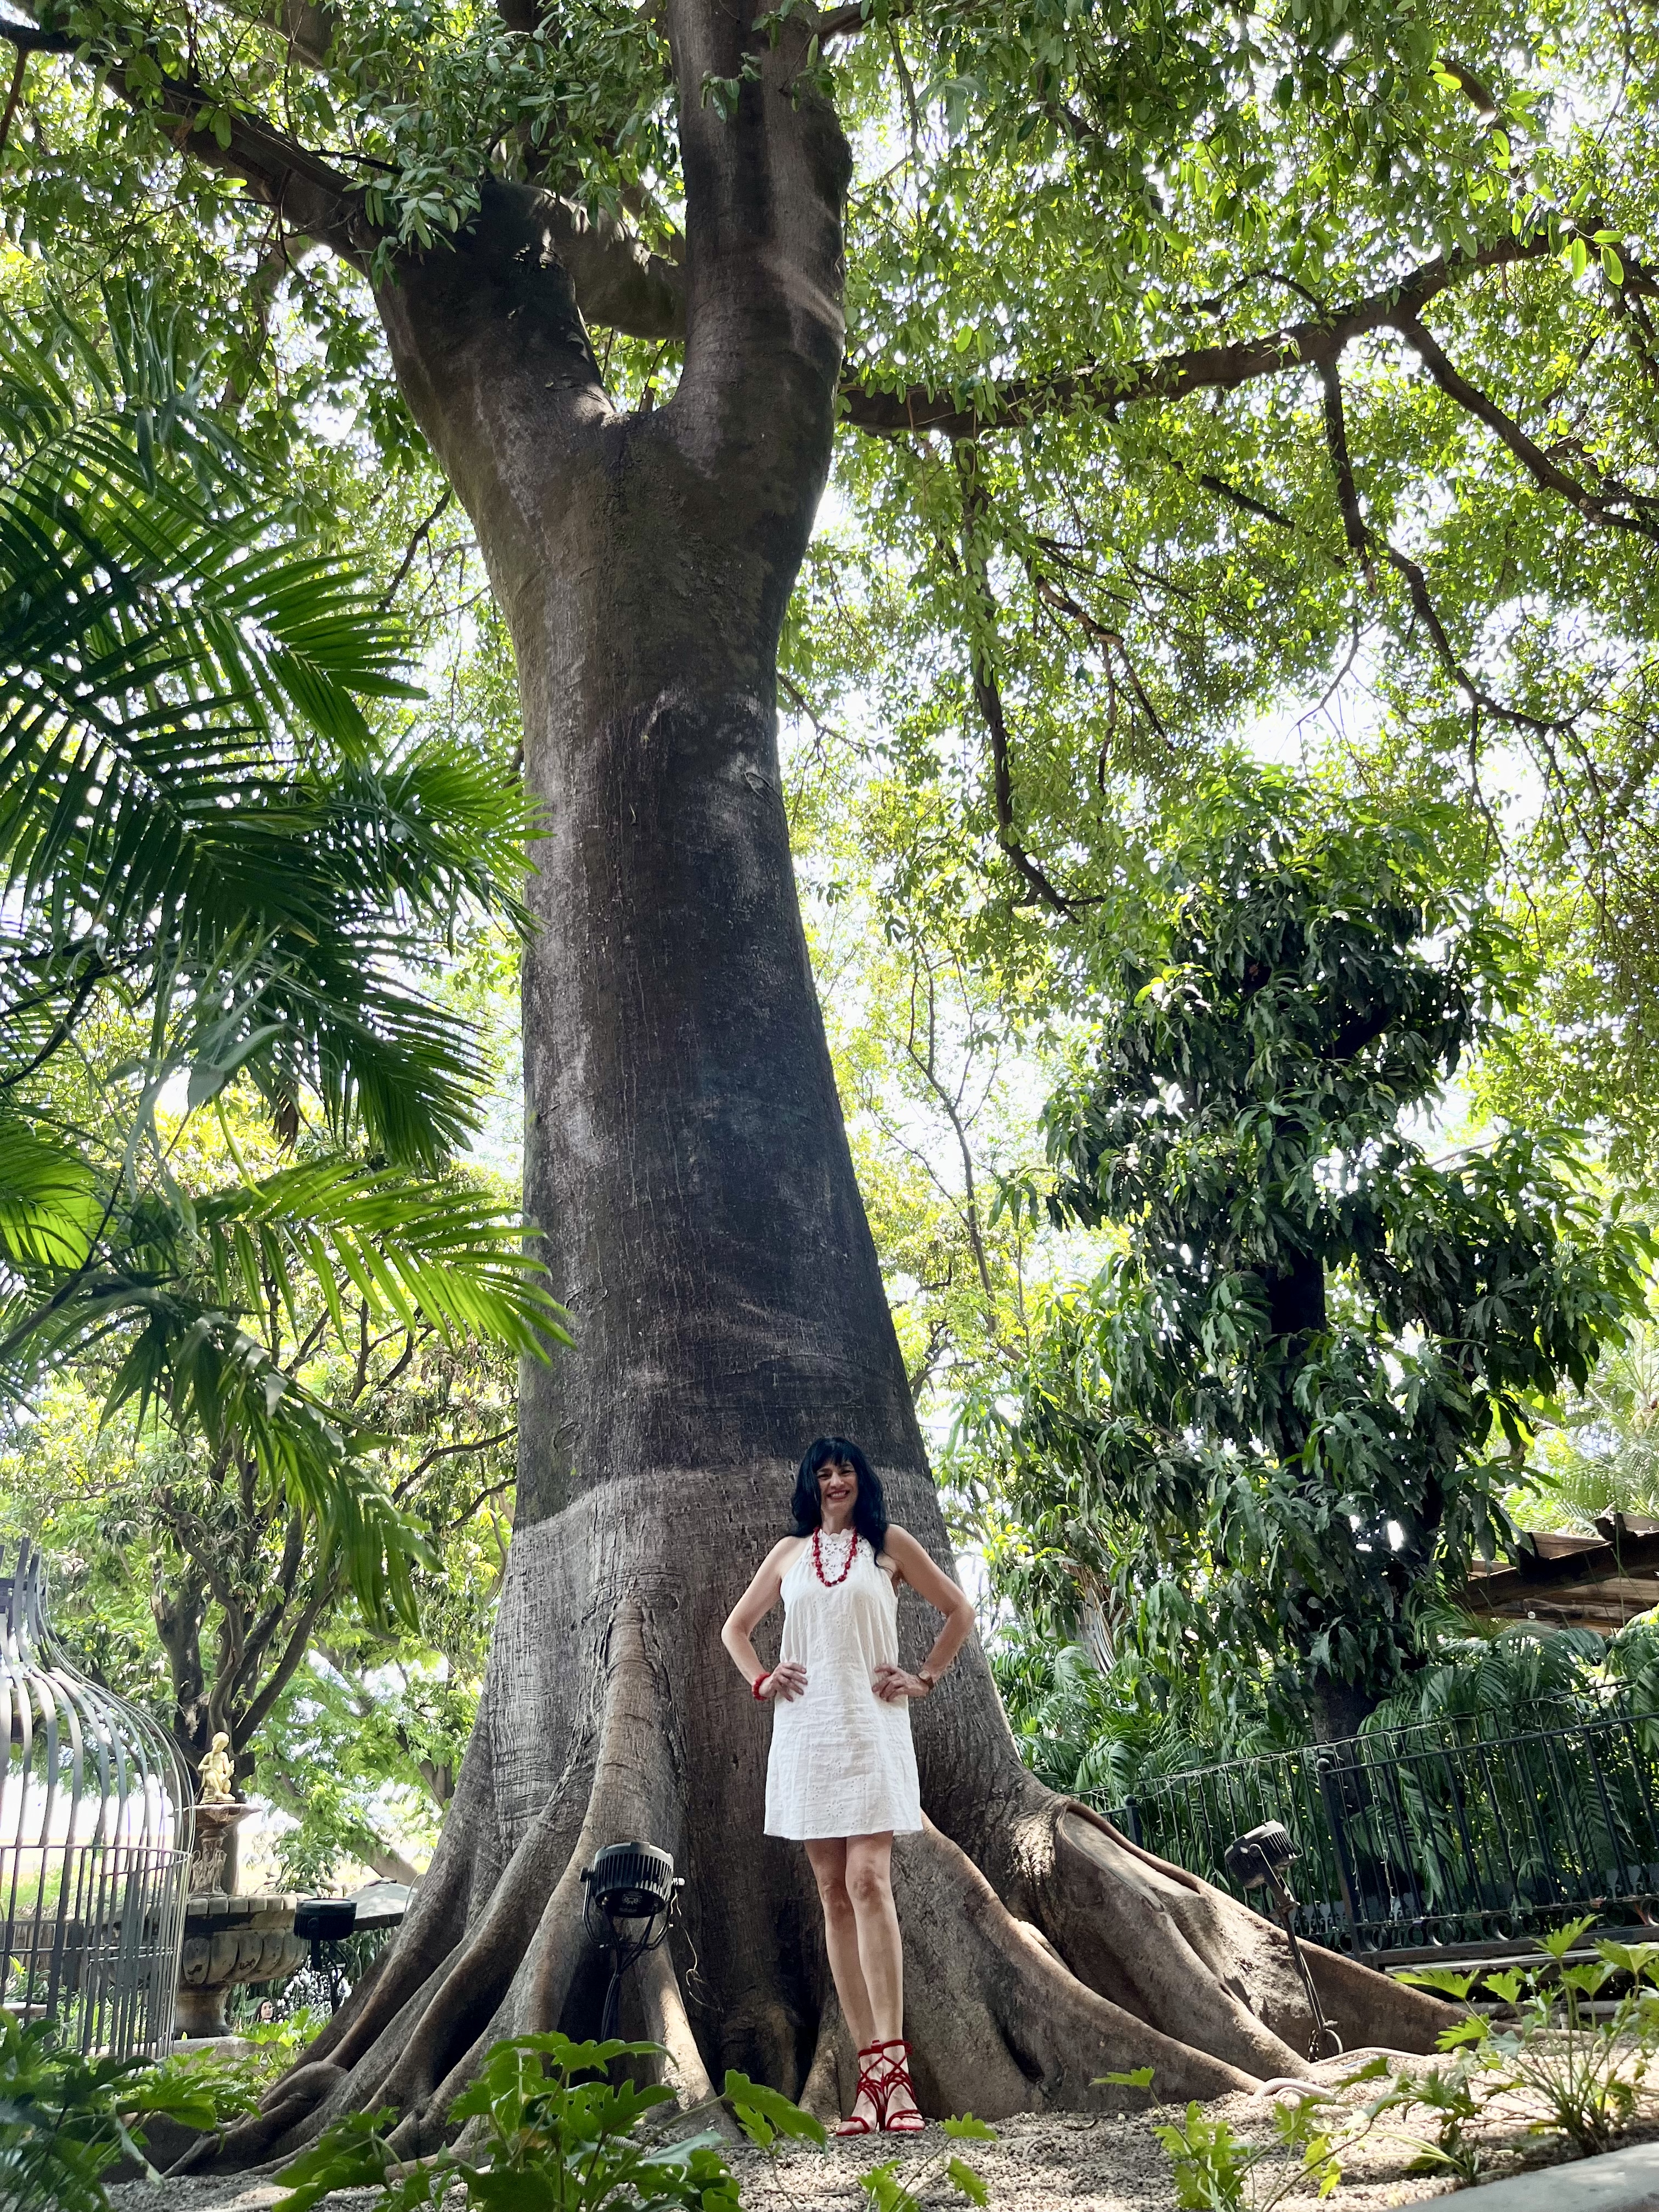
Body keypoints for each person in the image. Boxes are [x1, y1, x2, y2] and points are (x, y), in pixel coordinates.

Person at [721, 1436, 975, 2135]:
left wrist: (924, 1677)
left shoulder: (887, 1545)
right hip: (806, 1736)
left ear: (862, 1480)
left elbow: (958, 1610)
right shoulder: (788, 1553)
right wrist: (762, 1679)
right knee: (833, 1893)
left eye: (847, 1471)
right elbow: (736, 1629)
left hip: (870, 1728)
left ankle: (897, 2078)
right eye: (825, 1473)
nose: (836, 1481)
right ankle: (869, 2086)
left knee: (868, 1882)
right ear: (811, 1484)